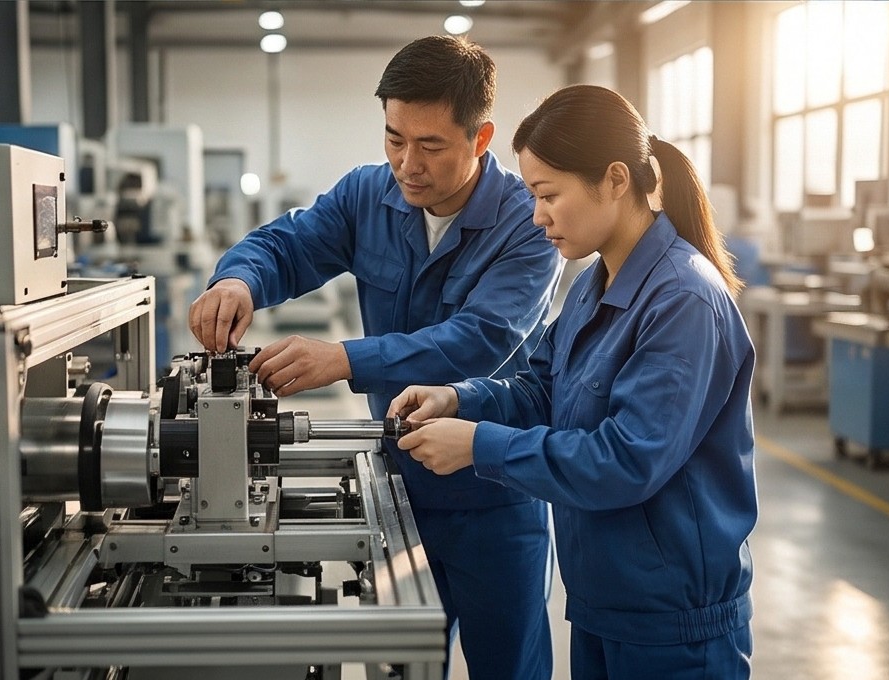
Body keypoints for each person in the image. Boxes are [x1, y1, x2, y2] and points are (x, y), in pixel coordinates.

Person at [189, 36, 563, 680]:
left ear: (480, 138)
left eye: (431, 145)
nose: (407, 164)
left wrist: (345, 359)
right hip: (398, 483)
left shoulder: (526, 221)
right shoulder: (368, 196)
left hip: (494, 493)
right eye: (394, 138)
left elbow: (482, 337)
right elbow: (287, 245)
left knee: (508, 667)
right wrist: (238, 281)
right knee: (400, 666)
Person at [388, 84, 757, 680]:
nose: (538, 216)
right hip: (602, 602)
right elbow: (540, 388)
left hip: (672, 627)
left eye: (548, 195)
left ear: (615, 179)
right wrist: (459, 398)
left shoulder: (683, 300)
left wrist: (479, 446)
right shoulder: (595, 283)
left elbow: (627, 461)